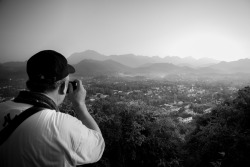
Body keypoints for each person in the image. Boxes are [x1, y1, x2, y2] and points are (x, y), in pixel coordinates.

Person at [0, 50, 105, 167]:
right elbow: (98, 146)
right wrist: (80, 105)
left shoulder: (2, 107)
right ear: (62, 87)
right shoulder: (61, 126)